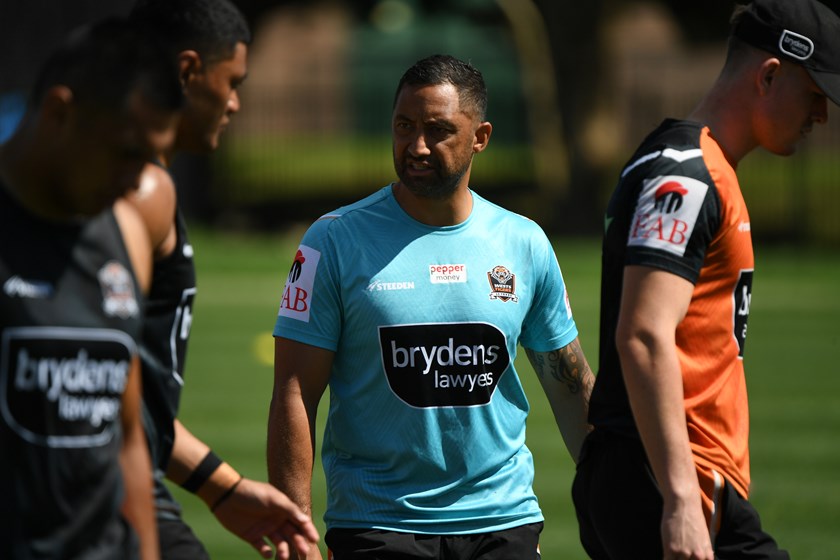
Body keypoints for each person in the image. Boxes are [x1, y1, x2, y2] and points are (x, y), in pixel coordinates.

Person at [268, 53, 595, 560]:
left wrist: (617, 500)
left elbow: (570, 385)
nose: (416, 146)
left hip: (503, 520)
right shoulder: (332, 241)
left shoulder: (523, 243)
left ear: (480, 137)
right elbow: (294, 391)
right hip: (377, 524)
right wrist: (296, 529)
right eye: (404, 126)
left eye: (438, 130)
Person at [572, 1, 840, 558]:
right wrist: (678, 501)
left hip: (674, 480)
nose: (823, 115)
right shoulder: (685, 175)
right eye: (815, 94)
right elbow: (643, 335)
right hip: (669, 480)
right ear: (769, 75)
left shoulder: (700, 165)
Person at [124, 1, 320, 559]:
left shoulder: (146, 185)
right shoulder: (141, 194)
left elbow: (133, 406)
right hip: (109, 494)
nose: (235, 103)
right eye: (231, 82)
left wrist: (223, 488)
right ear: (188, 72)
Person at [0, 18, 183, 560]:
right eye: (127, 153)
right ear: (60, 111)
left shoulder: (123, 233)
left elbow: (125, 437)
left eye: (151, 159)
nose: (137, 181)